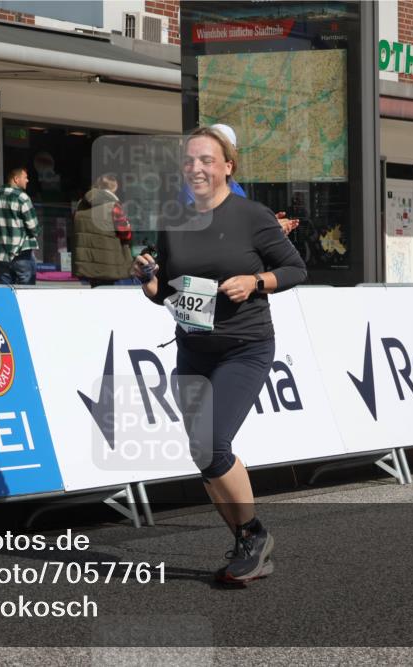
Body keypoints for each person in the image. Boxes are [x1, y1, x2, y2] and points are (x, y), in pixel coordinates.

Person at [131, 126, 307, 584]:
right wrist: (149, 281)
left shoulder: (252, 216)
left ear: (228, 166)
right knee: (202, 452)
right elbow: (168, 290)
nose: (197, 168)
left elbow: (294, 268)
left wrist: (256, 282)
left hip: (243, 349)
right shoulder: (175, 221)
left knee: (212, 443)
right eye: (190, 161)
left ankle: (252, 534)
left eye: (207, 160)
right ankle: (247, 544)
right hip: (192, 350)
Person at [182, 124, 299, 236]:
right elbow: (207, 232)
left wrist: (267, 226)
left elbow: (241, 225)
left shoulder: (236, 188)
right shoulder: (194, 188)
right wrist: (263, 228)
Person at [71, 174, 133, 287]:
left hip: (86, 262)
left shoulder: (81, 204)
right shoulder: (114, 206)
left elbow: (75, 225)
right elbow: (126, 233)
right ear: (116, 186)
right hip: (109, 263)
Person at [0, 167, 39, 285]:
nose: (28, 180)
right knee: (27, 294)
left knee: (6, 294)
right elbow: (34, 227)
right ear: (16, 179)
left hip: (1, 254)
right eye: (25, 177)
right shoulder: (22, 197)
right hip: (21, 253)